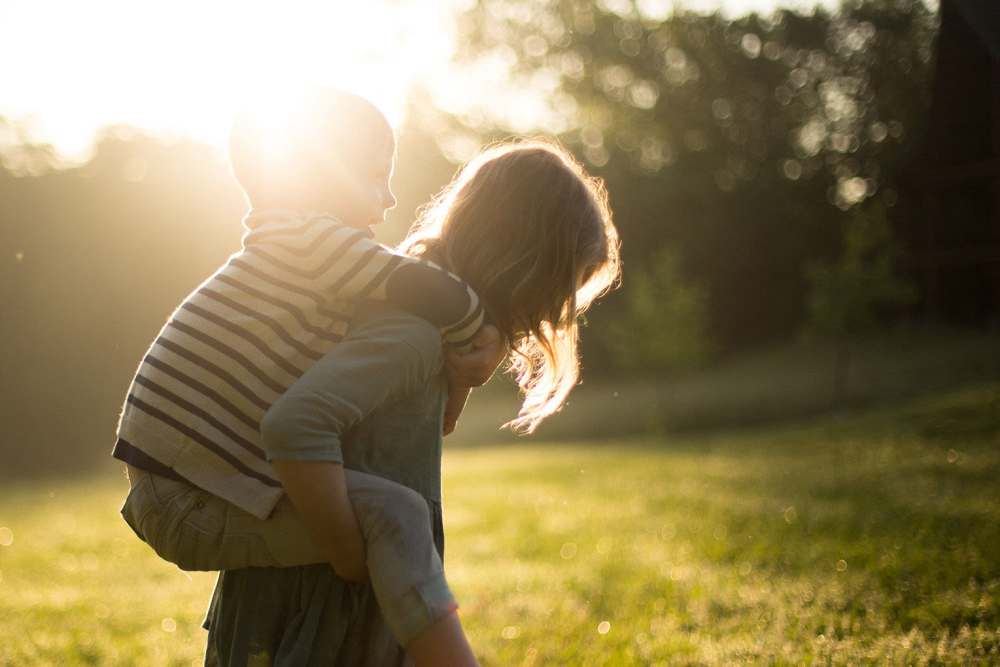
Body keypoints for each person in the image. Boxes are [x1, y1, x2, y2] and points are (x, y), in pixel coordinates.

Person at [113, 90, 507, 659]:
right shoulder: (310, 242)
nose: (390, 196)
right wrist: (480, 335)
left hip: (181, 489)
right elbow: (425, 289)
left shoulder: (293, 251)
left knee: (386, 512)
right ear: (322, 176)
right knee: (395, 515)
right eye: (376, 176)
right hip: (187, 499)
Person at [203, 138, 622, 666]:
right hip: (321, 599)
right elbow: (295, 424)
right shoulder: (412, 335)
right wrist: (350, 555)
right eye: (556, 292)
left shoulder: (427, 324)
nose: (549, 317)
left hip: (350, 587)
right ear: (521, 266)